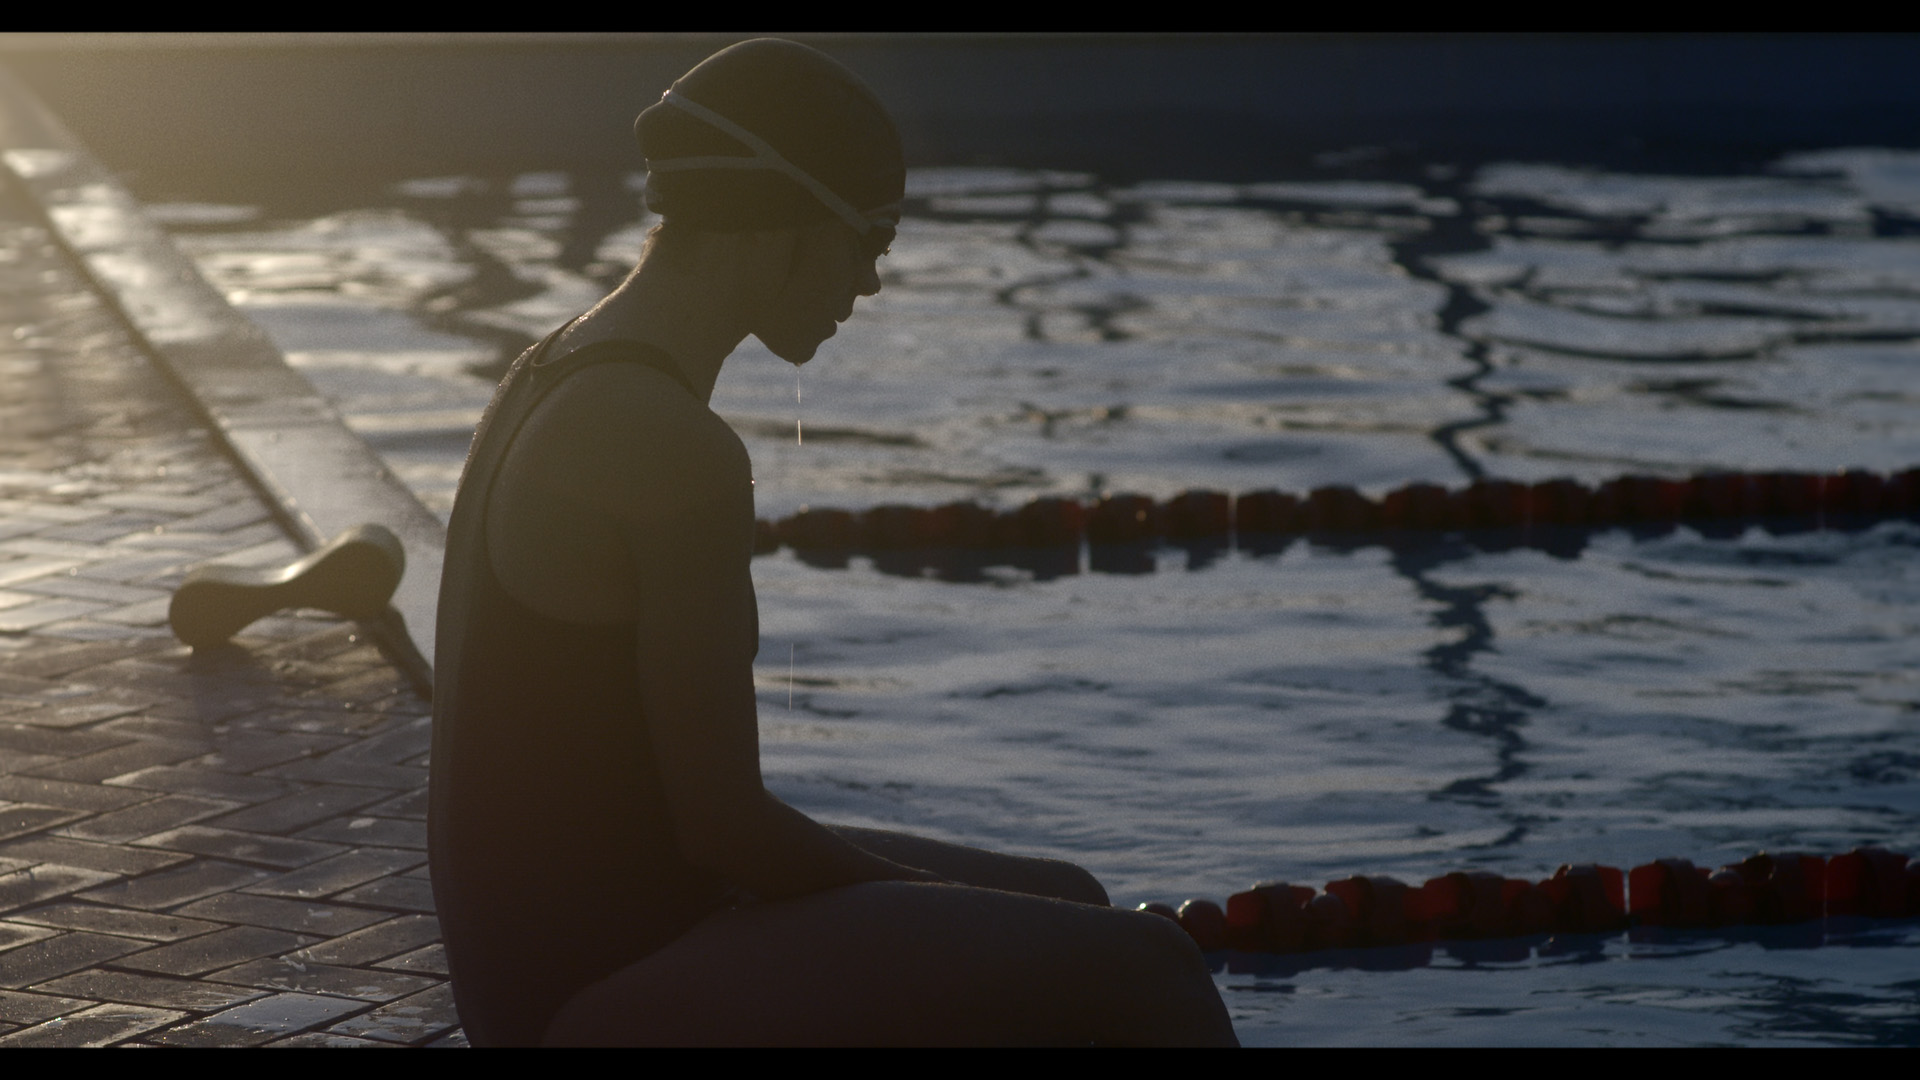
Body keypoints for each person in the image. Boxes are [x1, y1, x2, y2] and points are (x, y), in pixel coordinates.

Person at [428, 38, 1237, 1047]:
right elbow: (723, 829)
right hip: (590, 986)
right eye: (870, 240)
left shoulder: (556, 364)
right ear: (785, 220)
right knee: (1147, 965)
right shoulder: (666, 443)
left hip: (561, 947)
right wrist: (920, 902)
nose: (872, 282)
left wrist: (950, 915)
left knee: (1068, 895)